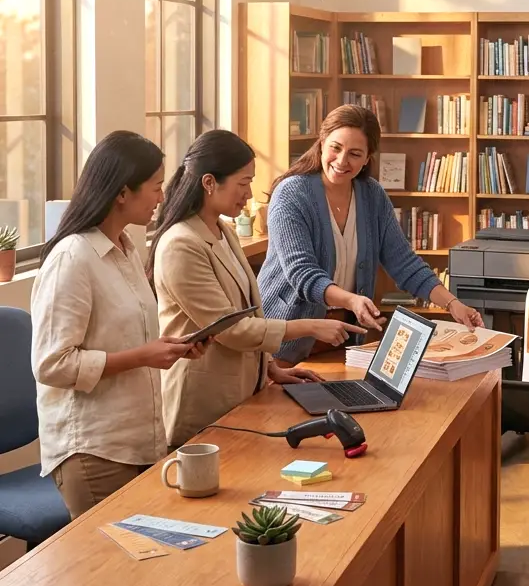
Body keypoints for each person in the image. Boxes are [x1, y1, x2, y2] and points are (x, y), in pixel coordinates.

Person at [149, 129, 365, 447]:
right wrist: (309, 326)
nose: (249, 195)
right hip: (203, 405)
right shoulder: (181, 244)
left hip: (242, 396)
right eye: (242, 183)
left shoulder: (223, 230)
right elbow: (231, 329)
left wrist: (272, 368)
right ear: (209, 183)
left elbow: (246, 309)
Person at [31, 131, 207, 519]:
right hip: (94, 447)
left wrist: (168, 347)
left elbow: (124, 335)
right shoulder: (72, 259)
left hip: (138, 441)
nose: (162, 197)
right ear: (123, 192)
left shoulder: (126, 249)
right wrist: (143, 355)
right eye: (156, 187)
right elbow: (52, 364)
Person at [258, 104, 483, 364]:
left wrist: (453, 305)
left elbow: (405, 264)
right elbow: (302, 274)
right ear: (321, 143)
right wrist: (352, 300)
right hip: (282, 341)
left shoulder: (372, 195)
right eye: (335, 148)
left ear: (367, 158)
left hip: (343, 340)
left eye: (355, 153)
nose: (342, 161)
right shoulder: (291, 194)